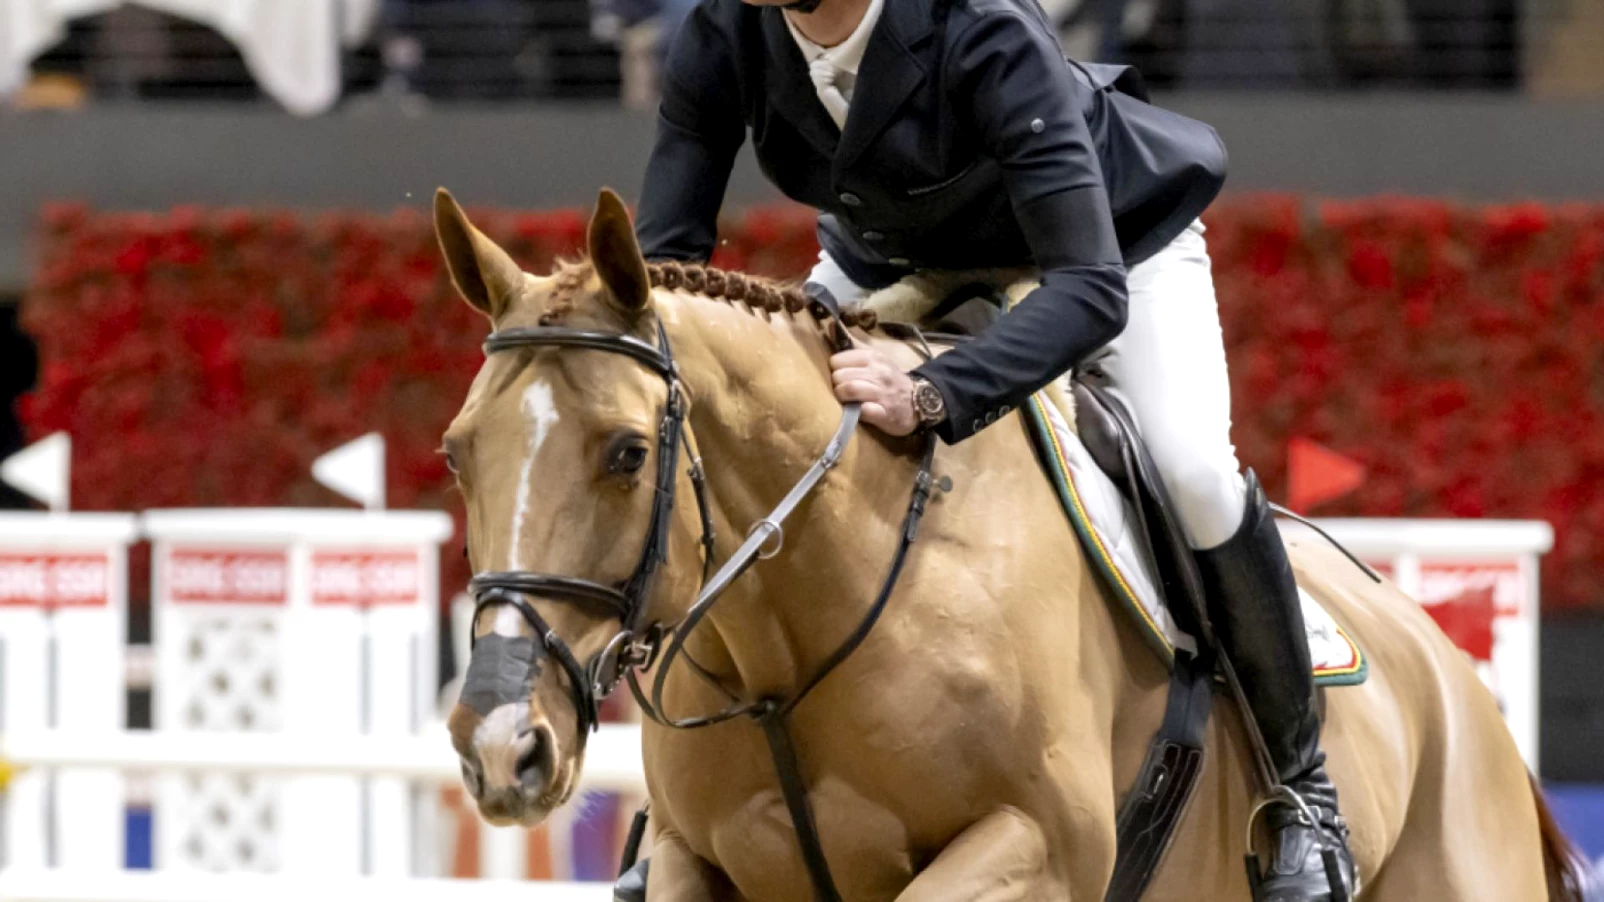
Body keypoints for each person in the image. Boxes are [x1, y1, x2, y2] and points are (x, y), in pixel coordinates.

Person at [630, 0, 1355, 898]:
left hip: (1107, 251)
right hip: (901, 264)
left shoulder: (983, 26)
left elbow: (1088, 289)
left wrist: (933, 392)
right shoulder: (725, 30)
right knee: (756, 433)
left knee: (1193, 471)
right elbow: (664, 275)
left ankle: (1301, 793)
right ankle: (676, 803)